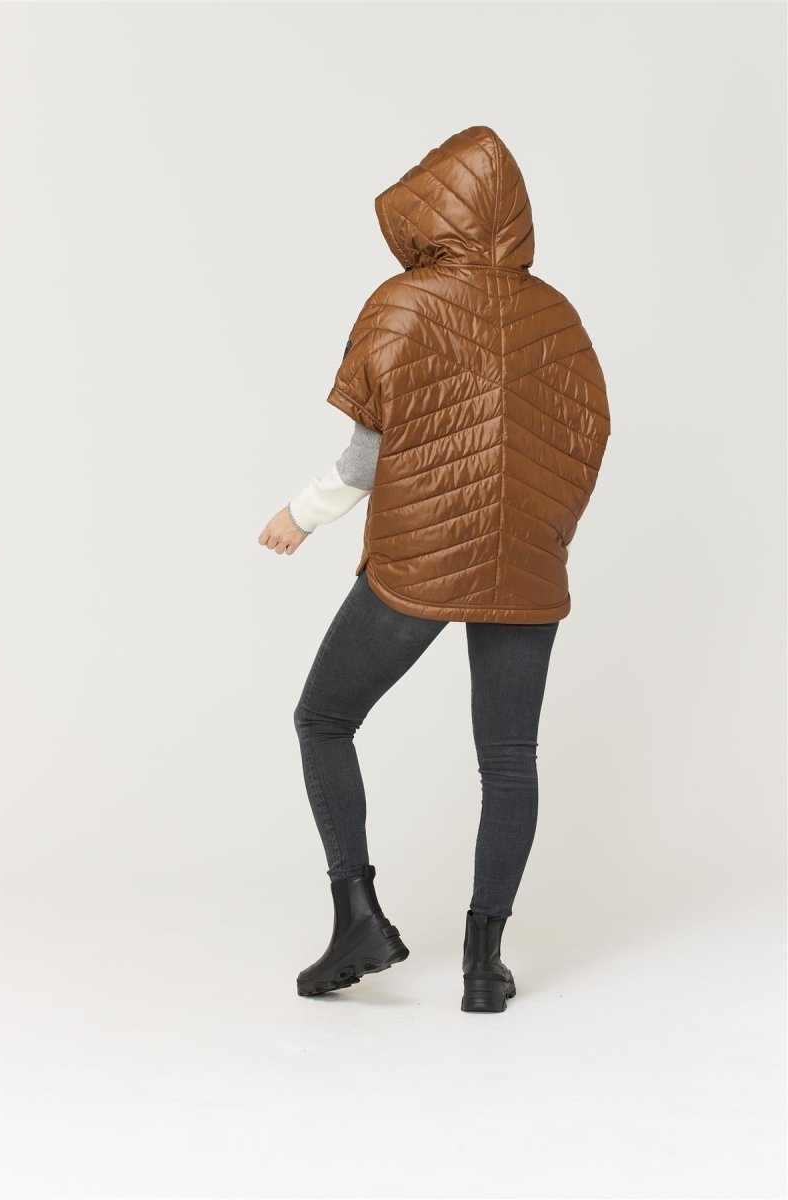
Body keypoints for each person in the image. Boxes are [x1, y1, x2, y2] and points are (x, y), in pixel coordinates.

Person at [259, 125, 611, 1013]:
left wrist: (301, 516)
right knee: (509, 760)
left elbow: (366, 457)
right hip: (526, 566)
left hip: (418, 556)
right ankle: (484, 965)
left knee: (323, 718)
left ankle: (359, 918)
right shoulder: (558, 315)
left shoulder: (403, 303)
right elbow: (589, 438)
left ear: (430, 209)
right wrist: (547, 532)